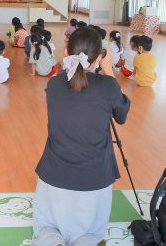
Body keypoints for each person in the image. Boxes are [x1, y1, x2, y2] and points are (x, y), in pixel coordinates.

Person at [33, 27, 130, 246]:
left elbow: (73, 79)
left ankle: (51, 240)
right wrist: (108, 70)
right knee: (91, 234)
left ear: (66, 51)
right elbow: (121, 115)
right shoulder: (108, 86)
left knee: (47, 228)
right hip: (95, 176)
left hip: (54, 172)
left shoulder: (54, 84)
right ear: (99, 57)